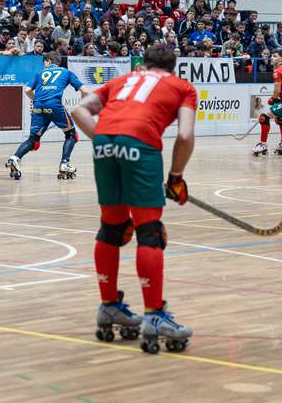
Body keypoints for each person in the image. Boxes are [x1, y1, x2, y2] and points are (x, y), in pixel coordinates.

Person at [71, 43, 196, 354]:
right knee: (149, 231)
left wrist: (106, 139)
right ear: (173, 67)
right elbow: (184, 135)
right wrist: (176, 177)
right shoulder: (182, 87)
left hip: (104, 143)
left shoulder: (123, 80)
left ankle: (109, 306)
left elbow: (78, 110)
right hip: (140, 144)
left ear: (143, 63)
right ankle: (154, 315)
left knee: (111, 228)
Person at [7, 51, 88, 180]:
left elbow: (27, 90)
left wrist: (37, 101)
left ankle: (15, 158)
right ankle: (64, 164)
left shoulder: (40, 73)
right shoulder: (66, 72)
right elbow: (85, 91)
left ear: (49, 61)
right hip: (54, 105)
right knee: (72, 135)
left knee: (33, 140)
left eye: (44, 62)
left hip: (38, 106)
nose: (44, 65)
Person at [252, 50, 282, 156]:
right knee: (280, 119)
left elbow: (277, 90)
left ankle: (263, 145)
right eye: (272, 56)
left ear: (281, 58)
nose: (272, 58)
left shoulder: (278, 71)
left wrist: (273, 98)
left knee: (263, 117)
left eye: (274, 56)